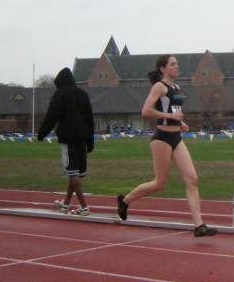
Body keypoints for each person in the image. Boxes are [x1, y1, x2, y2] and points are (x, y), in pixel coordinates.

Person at [116, 54, 217, 237]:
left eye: (177, 64)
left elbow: (173, 110)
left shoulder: (176, 88)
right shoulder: (159, 87)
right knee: (159, 183)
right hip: (162, 138)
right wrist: (171, 118)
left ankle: (199, 225)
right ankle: (126, 200)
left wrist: (180, 123)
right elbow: (146, 111)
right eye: (173, 64)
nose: (177, 67)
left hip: (176, 137)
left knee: (192, 179)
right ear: (163, 69)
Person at [37, 67, 95, 215]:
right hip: (83, 137)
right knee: (74, 172)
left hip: (68, 137)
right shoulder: (83, 94)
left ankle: (84, 206)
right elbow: (90, 118)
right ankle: (66, 204)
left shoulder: (60, 94)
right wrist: (91, 140)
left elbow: (52, 116)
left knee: (72, 173)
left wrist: (42, 133)